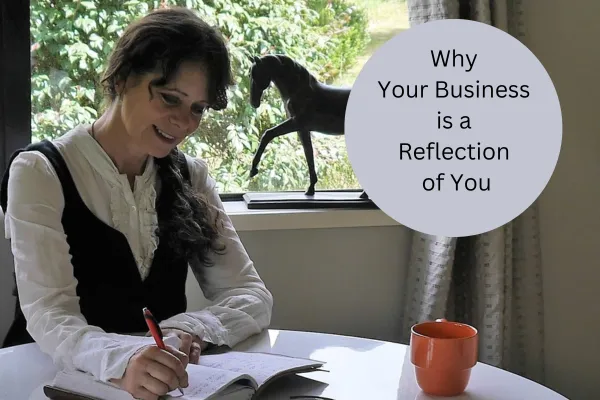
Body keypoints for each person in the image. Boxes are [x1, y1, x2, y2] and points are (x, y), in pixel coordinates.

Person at [0, 6, 273, 400]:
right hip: (44, 382)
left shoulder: (191, 176)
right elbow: (50, 316)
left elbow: (251, 294)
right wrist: (123, 359)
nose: (184, 122)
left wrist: (190, 328)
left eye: (197, 108)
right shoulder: (39, 172)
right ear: (123, 78)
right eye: (169, 98)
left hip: (157, 390)